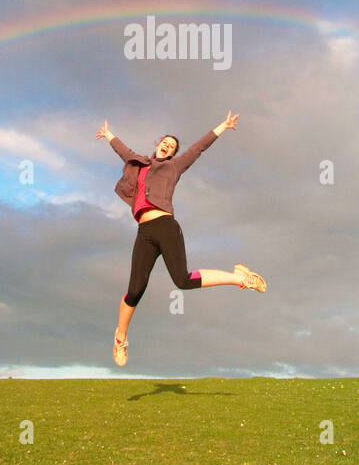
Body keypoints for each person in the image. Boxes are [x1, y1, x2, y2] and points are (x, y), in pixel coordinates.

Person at [96, 111, 266, 366]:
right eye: (165, 142)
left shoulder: (174, 167)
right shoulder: (140, 164)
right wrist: (109, 135)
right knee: (135, 290)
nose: (167, 146)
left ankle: (239, 277)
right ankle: (120, 337)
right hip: (144, 232)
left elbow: (198, 148)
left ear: (173, 154)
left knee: (183, 280)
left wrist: (222, 126)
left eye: (172, 146)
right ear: (157, 146)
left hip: (165, 225)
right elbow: (124, 151)